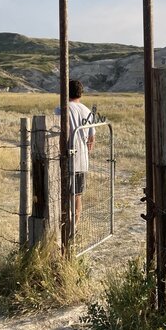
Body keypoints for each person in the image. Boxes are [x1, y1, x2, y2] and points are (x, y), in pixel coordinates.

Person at [55, 80, 95, 224]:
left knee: (62, 195)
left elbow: (56, 133)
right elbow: (91, 140)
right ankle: (74, 227)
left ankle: (64, 226)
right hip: (82, 159)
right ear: (81, 93)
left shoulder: (61, 109)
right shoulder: (87, 111)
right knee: (77, 195)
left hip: (65, 158)